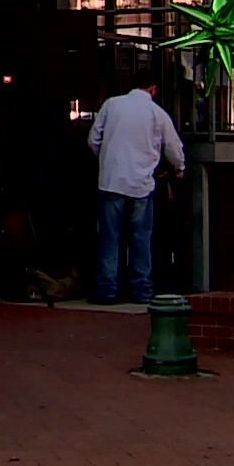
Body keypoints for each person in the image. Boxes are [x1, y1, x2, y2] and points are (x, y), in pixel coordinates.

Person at [86, 74, 185, 305]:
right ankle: (141, 291)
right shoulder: (157, 113)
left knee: (110, 238)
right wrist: (180, 169)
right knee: (141, 239)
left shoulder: (111, 104)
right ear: (153, 88)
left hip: (111, 181)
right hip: (141, 184)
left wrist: (105, 158)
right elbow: (173, 147)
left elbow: (93, 139)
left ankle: (107, 291)